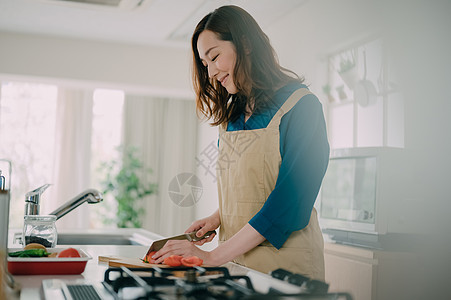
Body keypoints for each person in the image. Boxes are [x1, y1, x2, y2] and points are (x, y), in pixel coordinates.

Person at [152, 5, 329, 280]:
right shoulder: (233, 117)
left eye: (214, 57)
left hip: (286, 270)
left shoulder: (302, 107)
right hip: (237, 266)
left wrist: (211, 257)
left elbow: (289, 202)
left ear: (245, 44)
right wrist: (219, 216)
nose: (210, 72)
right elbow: (253, 186)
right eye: (205, 64)